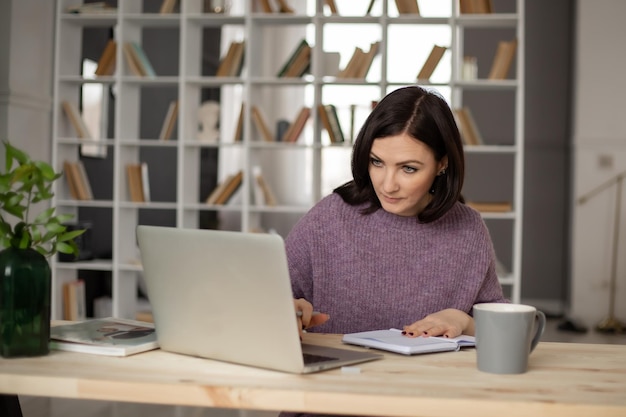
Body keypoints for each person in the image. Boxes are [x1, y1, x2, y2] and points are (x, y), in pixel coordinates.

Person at [289, 85, 509, 340]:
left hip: (430, 377)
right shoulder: (329, 217)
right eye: (377, 162)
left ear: (442, 163)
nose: (387, 185)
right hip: (336, 376)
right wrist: (285, 309)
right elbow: (266, 293)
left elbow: (502, 327)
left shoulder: (468, 229)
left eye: (408, 169)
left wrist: (464, 321)